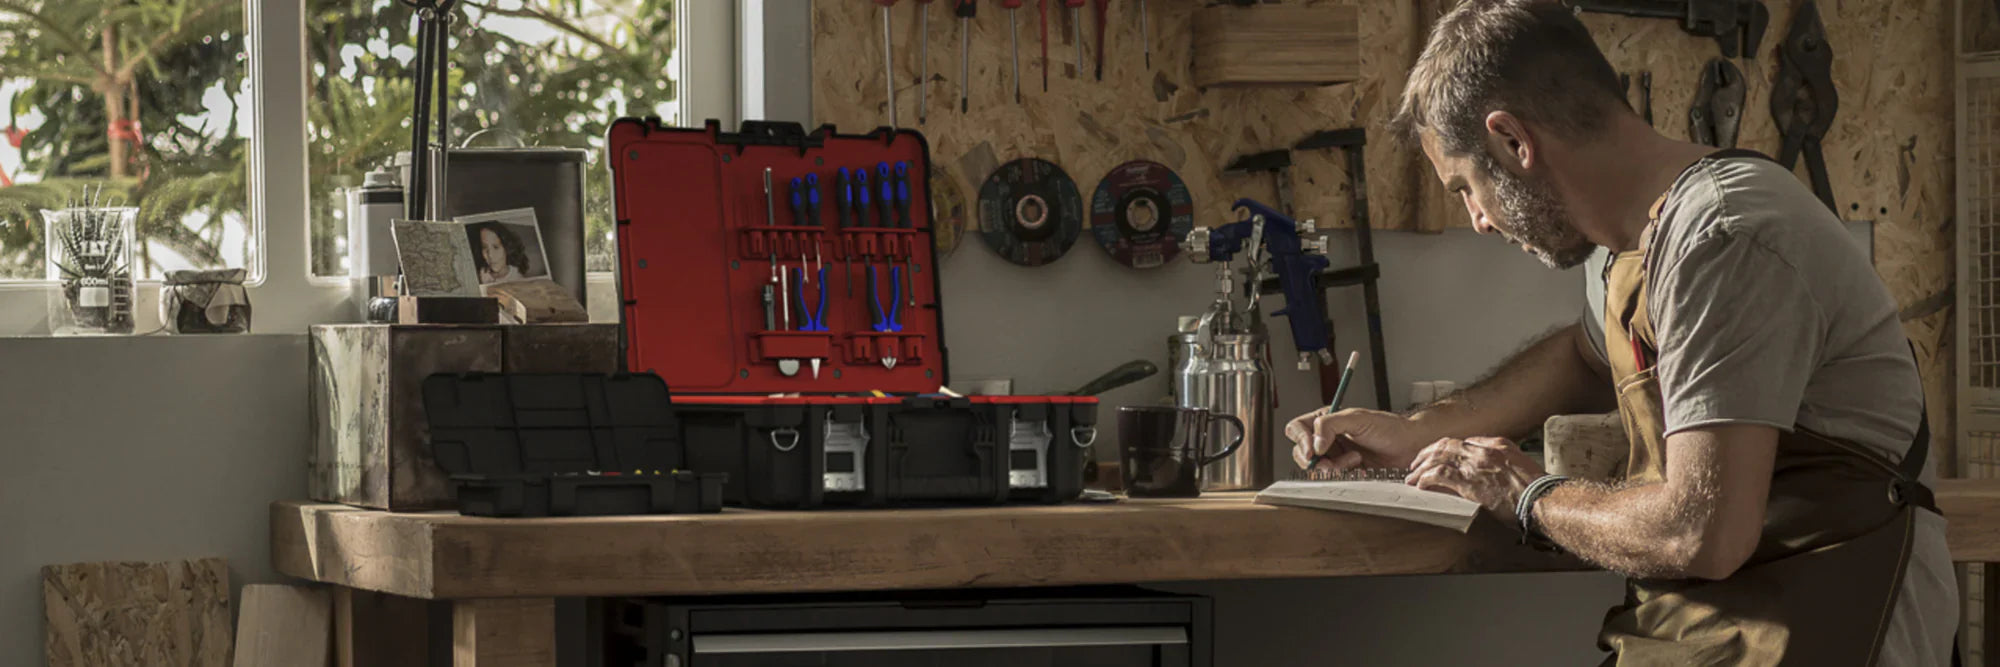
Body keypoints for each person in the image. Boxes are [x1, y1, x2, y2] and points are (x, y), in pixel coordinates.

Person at [1285, 1, 1957, 664]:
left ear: (1513, 142)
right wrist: (1413, 432)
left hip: (1835, 621)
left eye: (1464, 187)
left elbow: (1704, 533)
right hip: (1718, 623)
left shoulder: (1723, 235)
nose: (1478, 221)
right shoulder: (1625, 245)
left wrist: (1523, 493)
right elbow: (1585, 358)